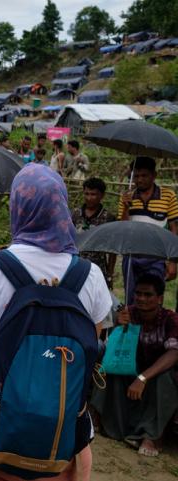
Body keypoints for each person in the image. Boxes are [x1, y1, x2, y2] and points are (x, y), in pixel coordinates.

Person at [0, 164, 111, 481]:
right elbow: (90, 351)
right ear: (62, 207)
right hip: (65, 433)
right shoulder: (89, 275)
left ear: (16, 208)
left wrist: (3, 393)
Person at [91, 274, 178, 457]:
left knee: (165, 378)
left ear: (160, 298)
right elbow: (114, 350)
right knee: (107, 366)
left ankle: (152, 435)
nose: (141, 298)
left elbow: (174, 353)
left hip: (158, 374)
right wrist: (119, 326)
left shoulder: (170, 319)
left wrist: (143, 377)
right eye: (138, 294)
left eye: (148, 295)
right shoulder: (128, 314)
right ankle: (100, 418)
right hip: (132, 370)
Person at [120, 156, 178, 303]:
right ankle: (133, 326)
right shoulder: (127, 197)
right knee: (131, 300)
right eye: (136, 176)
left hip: (157, 256)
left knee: (154, 299)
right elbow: (122, 228)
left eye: (144, 175)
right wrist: (126, 207)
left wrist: (173, 261)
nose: (139, 180)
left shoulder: (168, 196)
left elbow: (174, 229)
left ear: (154, 175)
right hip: (132, 255)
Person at [72, 177, 117, 288]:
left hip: (98, 269)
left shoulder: (108, 218)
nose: (89, 198)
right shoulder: (75, 214)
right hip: (76, 266)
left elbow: (112, 250)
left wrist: (110, 274)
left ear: (102, 196)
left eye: (93, 194)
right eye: (86, 194)